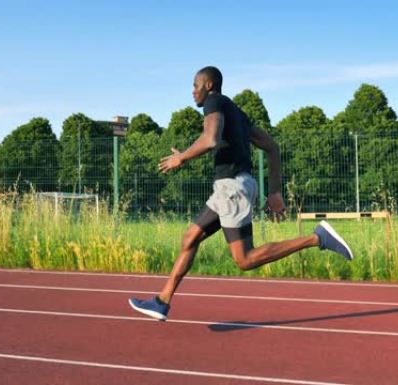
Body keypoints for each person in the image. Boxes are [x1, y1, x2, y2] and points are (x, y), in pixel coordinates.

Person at [129, 66, 353, 321]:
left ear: (209, 85)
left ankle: (317, 238)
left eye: (195, 85)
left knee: (244, 259)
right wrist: (275, 192)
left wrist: (181, 157)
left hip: (232, 188)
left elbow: (210, 138)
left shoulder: (214, 102)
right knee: (190, 237)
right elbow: (271, 146)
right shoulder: (237, 113)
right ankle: (162, 301)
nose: (193, 92)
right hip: (231, 186)